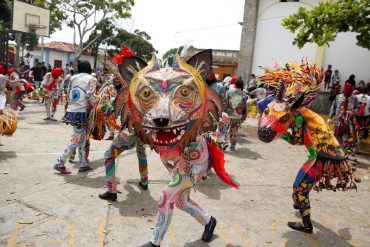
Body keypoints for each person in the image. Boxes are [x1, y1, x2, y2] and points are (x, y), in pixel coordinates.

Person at [54, 60, 97, 174]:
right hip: (81, 112)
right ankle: (60, 161)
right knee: (76, 140)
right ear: (89, 68)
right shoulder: (92, 79)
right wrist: (97, 103)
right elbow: (89, 95)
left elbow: (69, 92)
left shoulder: (73, 78)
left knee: (82, 139)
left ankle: (83, 163)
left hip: (71, 110)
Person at [224, 78, 248, 151]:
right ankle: (232, 146)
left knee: (225, 129)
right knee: (234, 131)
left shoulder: (228, 92)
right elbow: (244, 107)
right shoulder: (244, 95)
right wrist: (243, 116)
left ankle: (224, 143)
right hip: (237, 116)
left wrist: (223, 112)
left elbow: (225, 103)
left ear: (235, 85)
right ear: (242, 86)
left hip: (228, 115)